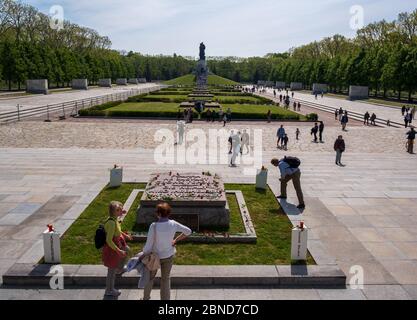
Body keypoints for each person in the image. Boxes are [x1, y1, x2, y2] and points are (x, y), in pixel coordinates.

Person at [141, 203, 192, 300]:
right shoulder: (173, 224)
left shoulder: (153, 226)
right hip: (168, 256)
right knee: (165, 280)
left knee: (150, 278)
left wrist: (143, 254)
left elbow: (148, 244)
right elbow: (188, 231)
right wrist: (176, 239)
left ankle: (146, 298)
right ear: (169, 213)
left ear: (158, 214)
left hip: (154, 257)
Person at [103, 201, 132, 297]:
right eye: (118, 210)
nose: (121, 211)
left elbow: (118, 230)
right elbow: (109, 240)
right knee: (111, 270)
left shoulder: (115, 219)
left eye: (121, 209)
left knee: (127, 250)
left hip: (119, 244)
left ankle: (119, 269)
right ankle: (109, 290)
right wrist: (118, 251)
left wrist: (125, 235)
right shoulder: (111, 223)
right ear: (113, 212)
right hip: (112, 249)